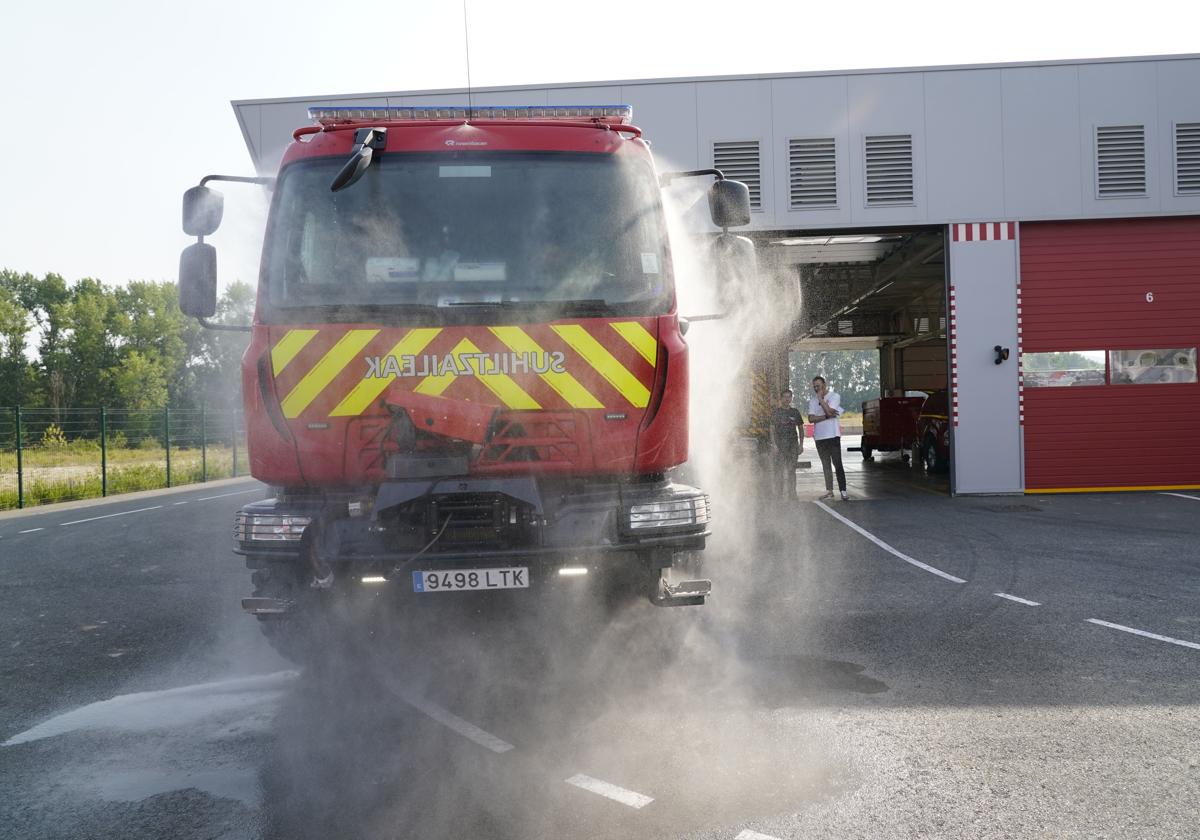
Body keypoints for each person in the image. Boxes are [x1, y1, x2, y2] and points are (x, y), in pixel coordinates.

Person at [808, 376, 848, 501]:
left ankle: (843, 490)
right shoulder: (812, 401)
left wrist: (821, 399)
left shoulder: (834, 396)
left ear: (824, 385)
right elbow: (811, 419)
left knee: (837, 463)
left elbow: (831, 412)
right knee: (826, 465)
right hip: (820, 437)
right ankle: (829, 491)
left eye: (818, 385)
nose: (816, 388)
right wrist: (826, 416)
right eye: (814, 386)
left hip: (832, 435)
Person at [769, 389, 805, 500]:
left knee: (791, 470)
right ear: (781, 398)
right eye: (784, 397)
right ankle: (779, 495)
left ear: (791, 398)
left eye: (789, 396)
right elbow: (772, 429)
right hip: (780, 446)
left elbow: (800, 429)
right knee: (779, 471)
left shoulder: (795, 412)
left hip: (792, 446)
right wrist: (774, 444)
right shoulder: (776, 412)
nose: (787, 399)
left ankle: (792, 494)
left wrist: (801, 444)